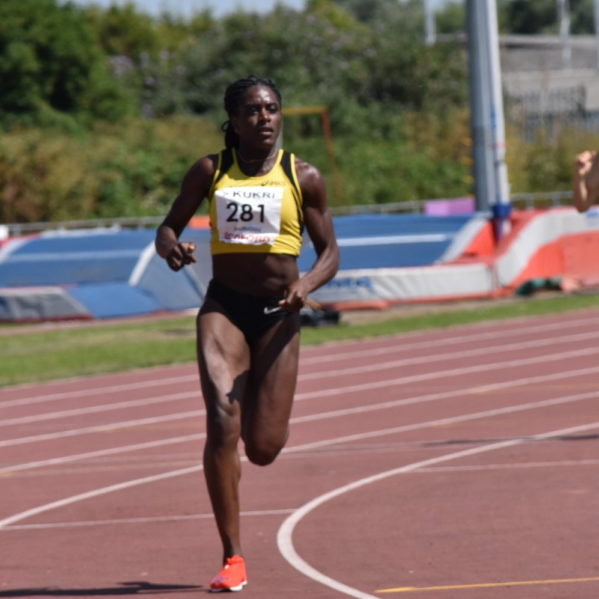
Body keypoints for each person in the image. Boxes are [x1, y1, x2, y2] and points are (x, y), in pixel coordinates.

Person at [155, 75, 339, 592]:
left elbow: (331, 253)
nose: (265, 118)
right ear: (234, 120)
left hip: (280, 313)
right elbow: (167, 227)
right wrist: (171, 247)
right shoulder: (211, 171)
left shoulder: (303, 175)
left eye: (273, 109)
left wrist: (306, 282)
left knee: (261, 448)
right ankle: (233, 556)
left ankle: (263, 397)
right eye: (254, 111)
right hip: (224, 309)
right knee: (220, 420)